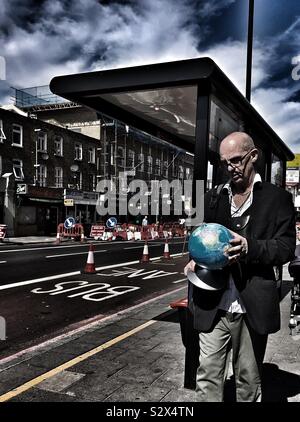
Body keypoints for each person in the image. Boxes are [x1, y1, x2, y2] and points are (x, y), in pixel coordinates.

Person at [184, 131, 296, 402]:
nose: (229, 168)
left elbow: (285, 247)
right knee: (207, 374)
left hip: (251, 305)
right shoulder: (213, 197)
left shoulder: (277, 199)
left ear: (253, 156)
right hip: (213, 302)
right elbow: (201, 236)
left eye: (235, 160)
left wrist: (250, 247)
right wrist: (195, 258)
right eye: (224, 163)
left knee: (247, 379)